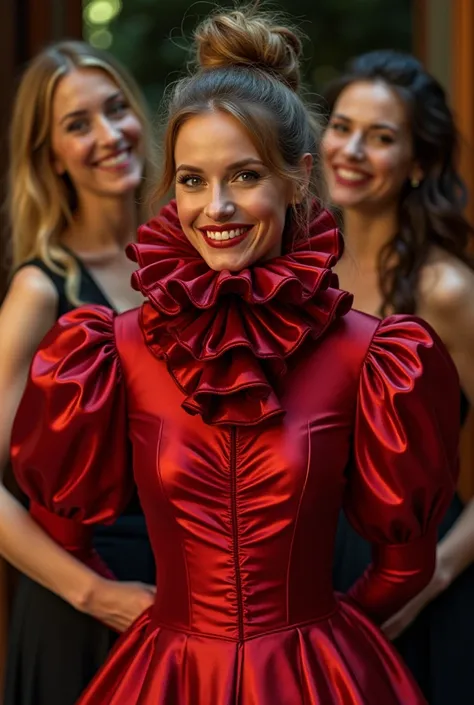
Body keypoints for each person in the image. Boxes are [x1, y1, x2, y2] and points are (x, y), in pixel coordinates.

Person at [10, 10, 459, 705]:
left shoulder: (376, 354)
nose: (215, 206)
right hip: (167, 673)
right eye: (191, 179)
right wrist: (142, 613)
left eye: (245, 175)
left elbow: (405, 565)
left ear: (297, 179)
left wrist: (323, 640)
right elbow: (63, 529)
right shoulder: (109, 350)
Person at [0, 41, 156, 705]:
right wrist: (95, 594)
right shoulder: (42, 289)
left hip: (190, 595)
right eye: (76, 124)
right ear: (50, 157)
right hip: (87, 603)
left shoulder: (196, 262)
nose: (108, 134)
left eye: (117, 109)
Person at [322, 50, 474, 705]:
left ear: (417, 163)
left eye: (380, 137)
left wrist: (434, 574)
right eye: (341, 125)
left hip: (422, 581)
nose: (350, 149)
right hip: (314, 577)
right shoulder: (299, 268)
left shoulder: (444, 289)